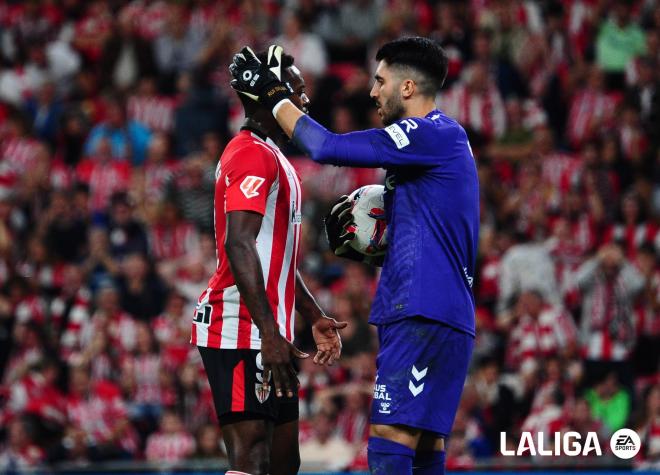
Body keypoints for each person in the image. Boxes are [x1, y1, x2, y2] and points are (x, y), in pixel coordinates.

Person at [230, 37, 479, 475]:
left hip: (421, 310)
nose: (372, 92)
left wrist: (275, 95)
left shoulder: (430, 131)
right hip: (445, 313)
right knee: (424, 449)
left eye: (380, 81)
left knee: (390, 440)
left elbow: (327, 148)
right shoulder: (439, 147)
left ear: (406, 88)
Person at [192, 50, 347, 475]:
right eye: (296, 91)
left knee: (283, 461)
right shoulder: (249, 154)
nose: (305, 101)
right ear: (269, 96)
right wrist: (268, 331)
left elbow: (271, 255)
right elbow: (239, 244)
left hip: (266, 325)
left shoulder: (271, 154)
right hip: (240, 324)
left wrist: (312, 313)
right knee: (253, 455)